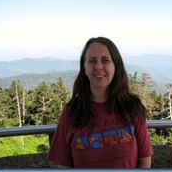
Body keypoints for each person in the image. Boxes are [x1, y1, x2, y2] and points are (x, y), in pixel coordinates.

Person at [47, 37, 154, 168]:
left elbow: (144, 161)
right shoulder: (71, 112)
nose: (98, 66)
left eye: (105, 60)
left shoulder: (132, 108)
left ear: (116, 66)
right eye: (92, 61)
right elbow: (64, 166)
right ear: (85, 68)